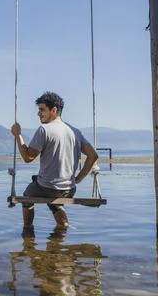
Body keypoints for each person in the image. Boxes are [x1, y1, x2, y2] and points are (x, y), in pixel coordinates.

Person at [10, 91, 98, 230]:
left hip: (47, 188)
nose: (38, 114)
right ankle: (63, 226)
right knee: (54, 201)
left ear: (54, 110)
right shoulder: (75, 131)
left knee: (27, 196)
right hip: (69, 189)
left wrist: (17, 135)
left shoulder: (44, 130)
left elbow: (28, 157)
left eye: (42, 110)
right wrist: (78, 179)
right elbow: (93, 156)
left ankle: (28, 230)